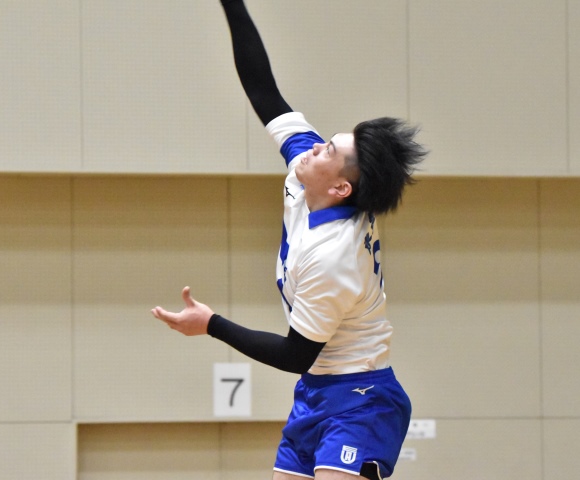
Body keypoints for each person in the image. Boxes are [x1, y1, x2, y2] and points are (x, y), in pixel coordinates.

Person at [151, 1, 427, 479]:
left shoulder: (334, 256)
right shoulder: (309, 173)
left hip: (361, 397)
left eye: (328, 150)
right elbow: (264, 90)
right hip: (316, 391)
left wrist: (211, 324)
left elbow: (293, 354)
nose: (315, 146)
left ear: (341, 188)